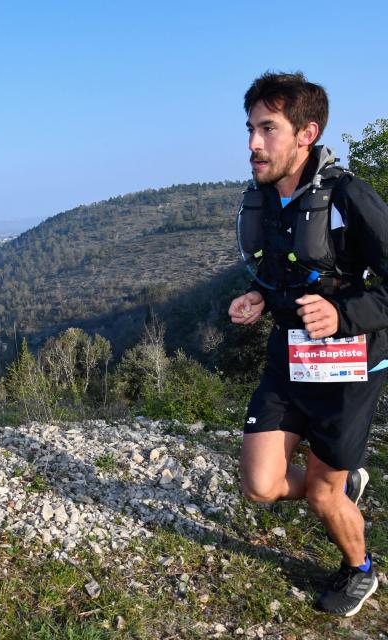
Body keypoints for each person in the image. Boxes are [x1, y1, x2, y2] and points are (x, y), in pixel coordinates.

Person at [229, 71, 388, 617]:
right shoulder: (264, 200)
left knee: (323, 493)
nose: (253, 143)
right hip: (290, 356)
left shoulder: (349, 196)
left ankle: (360, 570)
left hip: (349, 366)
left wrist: (342, 314)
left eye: (267, 129)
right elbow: (285, 275)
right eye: (250, 128)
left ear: (306, 133)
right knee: (260, 484)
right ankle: (344, 480)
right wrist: (255, 296)